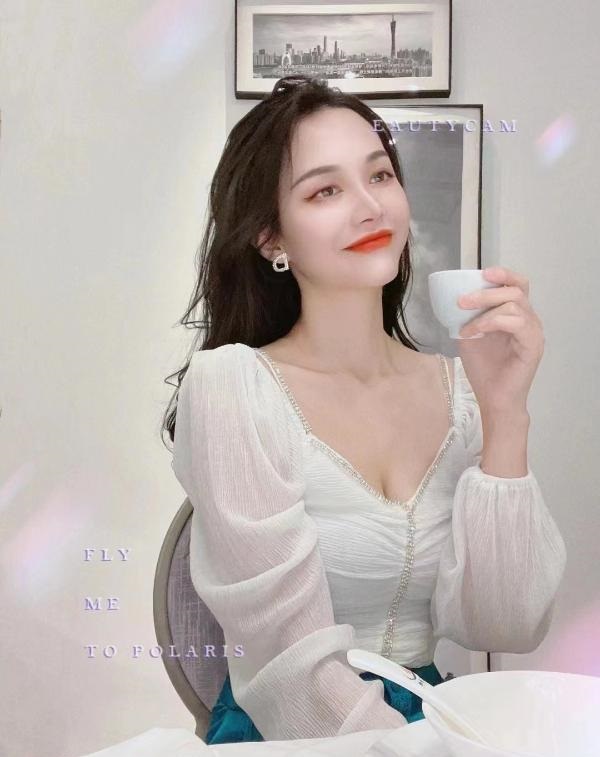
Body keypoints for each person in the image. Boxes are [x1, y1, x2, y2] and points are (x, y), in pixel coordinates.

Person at [163, 75, 567, 744]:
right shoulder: (232, 388)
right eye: (325, 190)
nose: (370, 206)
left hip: (432, 722)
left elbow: (505, 625)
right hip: (297, 734)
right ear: (270, 237)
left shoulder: (460, 390)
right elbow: (289, 670)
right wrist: (412, 748)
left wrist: (505, 414)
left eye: (379, 175)